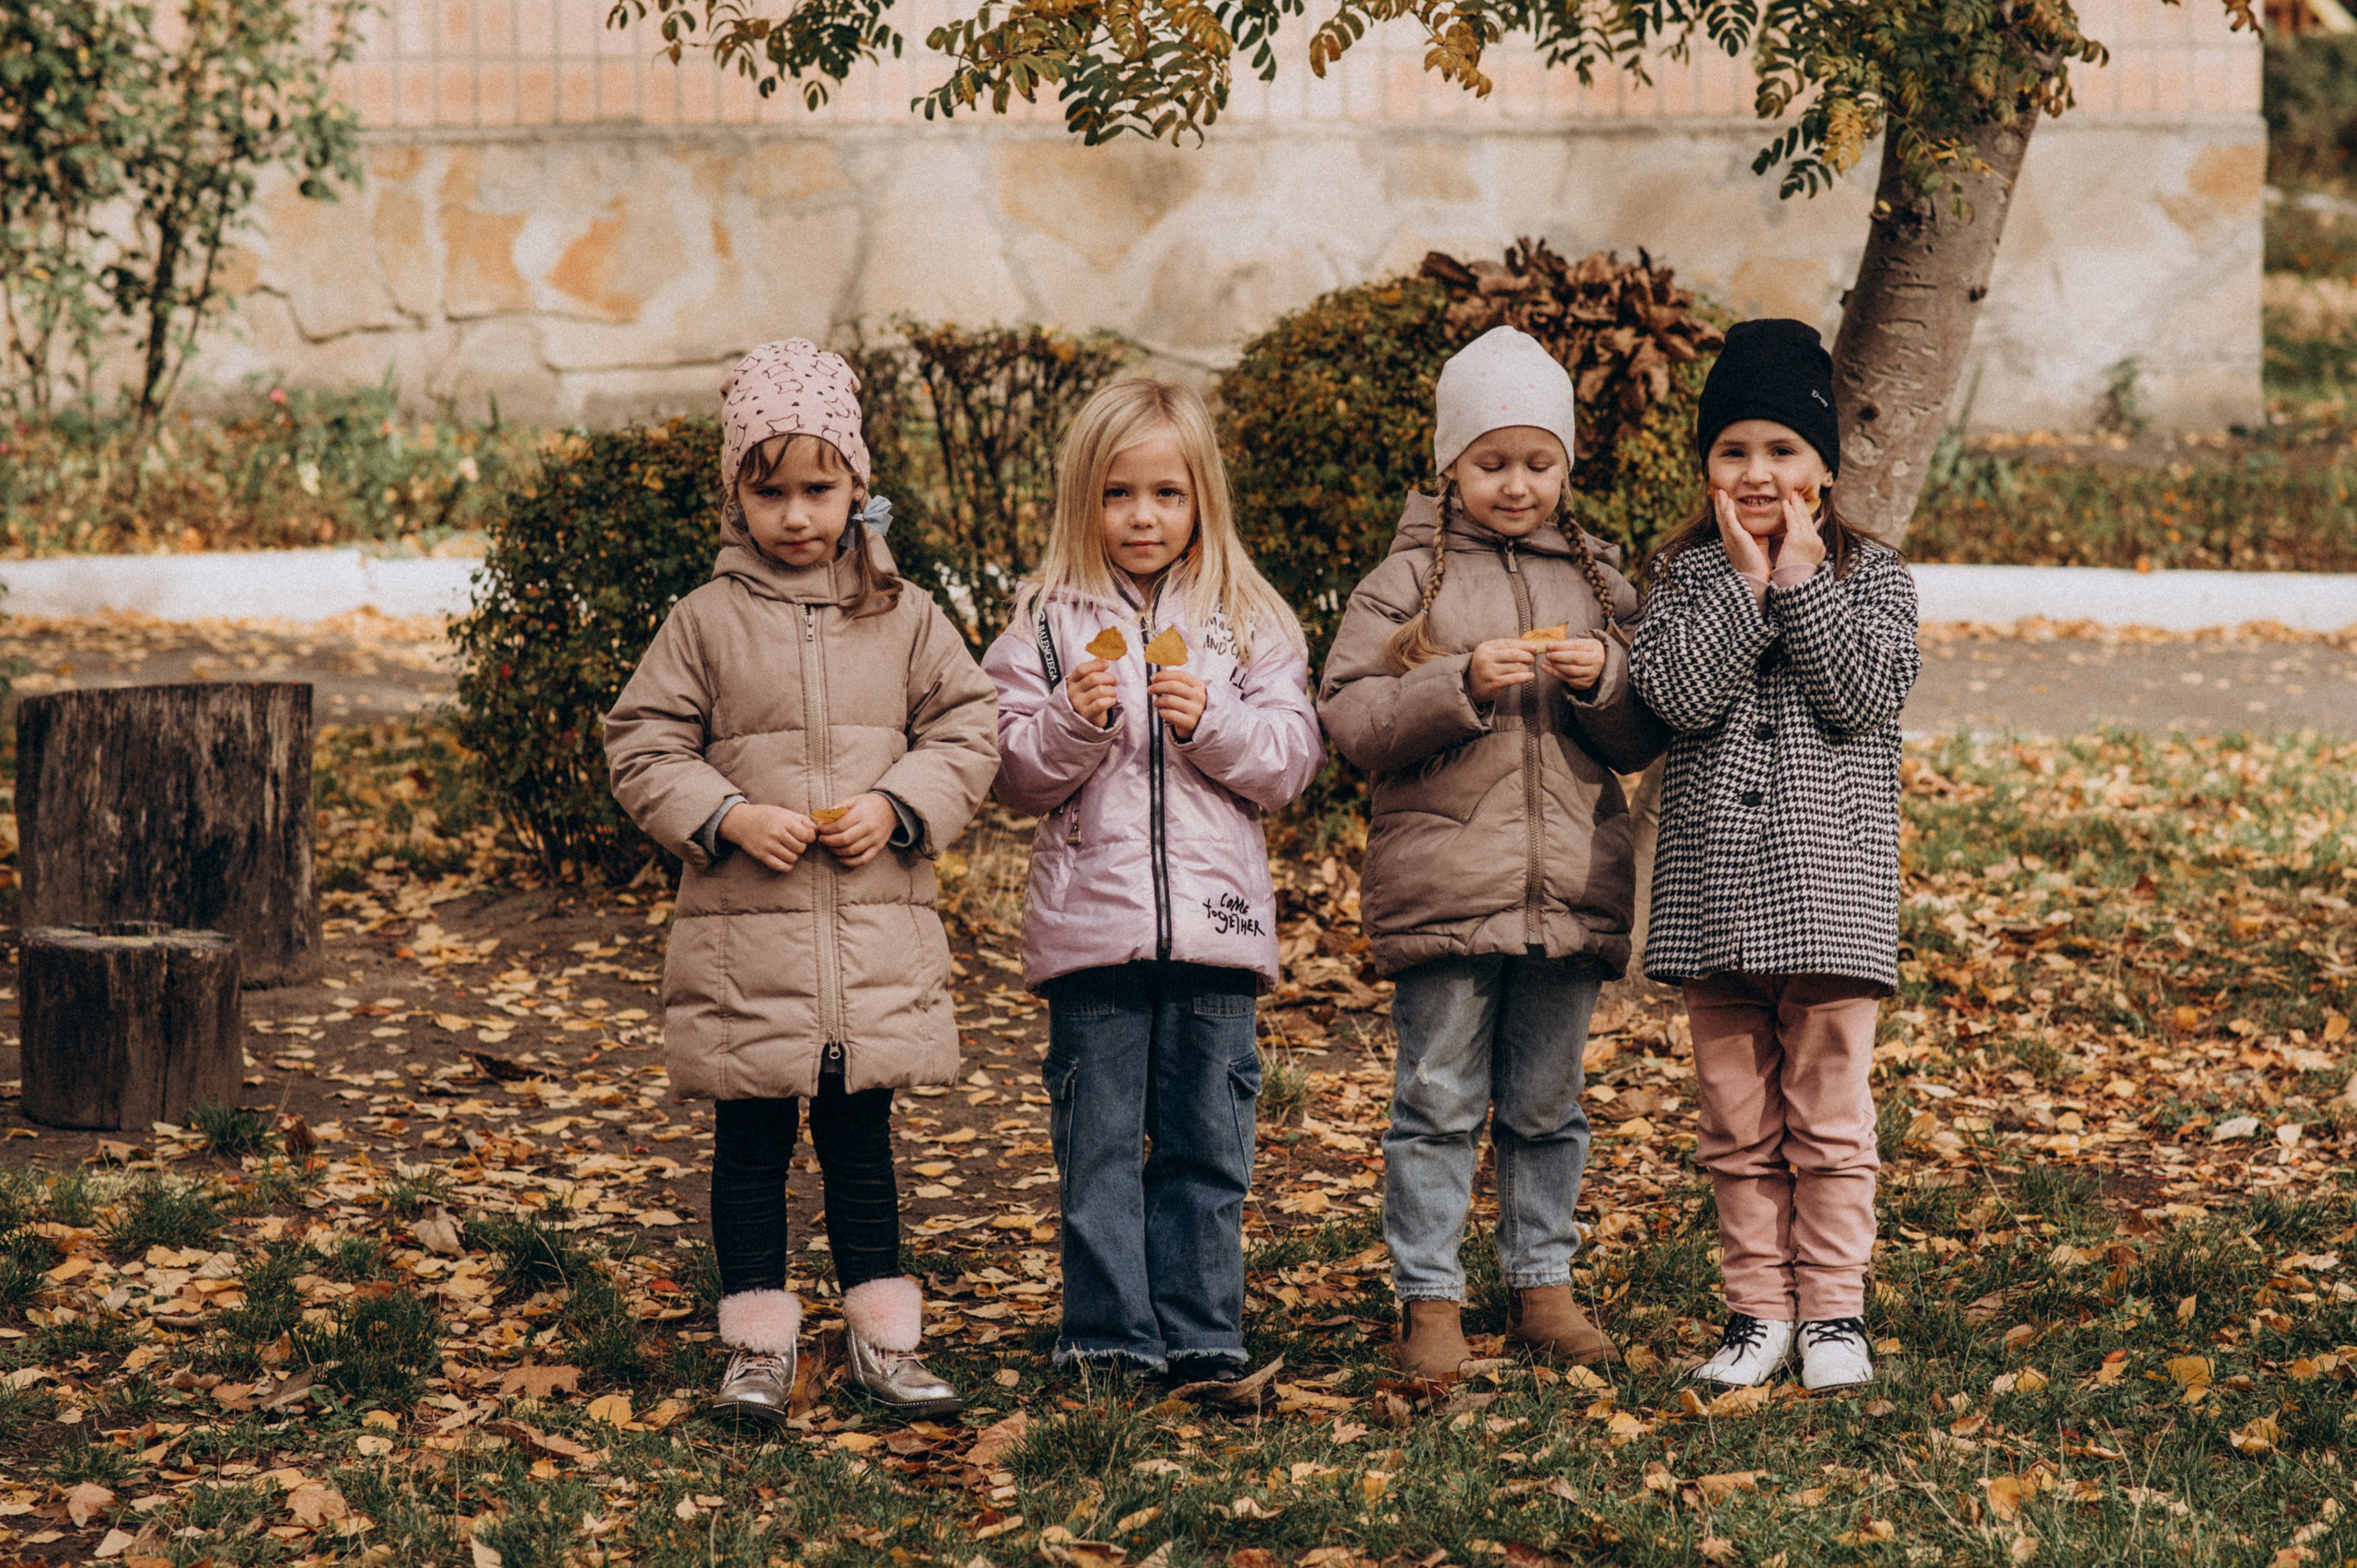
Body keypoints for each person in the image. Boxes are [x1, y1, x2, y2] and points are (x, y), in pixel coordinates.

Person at [606, 339, 1000, 1426]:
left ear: (857, 486)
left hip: (869, 947)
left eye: (818, 488)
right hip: (746, 945)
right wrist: (726, 814)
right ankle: (755, 1347)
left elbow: (969, 722)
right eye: (768, 489)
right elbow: (642, 742)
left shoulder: (905, 613)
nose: (795, 514)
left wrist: (900, 803)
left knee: (861, 1144)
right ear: (735, 492)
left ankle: (885, 1340)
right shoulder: (704, 619)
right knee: (750, 1151)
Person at [1319, 326, 1667, 1383]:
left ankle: (1540, 1283)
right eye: (1490, 462)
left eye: (1537, 462)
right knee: (1434, 1097)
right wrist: (1459, 684)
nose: (1515, 485)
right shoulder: (1403, 587)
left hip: (1569, 884)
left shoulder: (1603, 585)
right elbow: (1350, 716)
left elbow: (1641, 733)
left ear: (1566, 467)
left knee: (1547, 1102)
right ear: (1449, 465)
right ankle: (1430, 1298)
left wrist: (1607, 675)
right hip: (1445, 887)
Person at [983, 377, 1323, 1382]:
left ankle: (1203, 1326)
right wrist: (1070, 723)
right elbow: (1008, 770)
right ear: (1083, 499)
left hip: (1217, 927)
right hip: (1093, 931)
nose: (1143, 516)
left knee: (1206, 1139)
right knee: (1095, 1150)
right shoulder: (1044, 626)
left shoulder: (1246, 621)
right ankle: (1107, 1336)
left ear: (1200, 499)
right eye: (1119, 493)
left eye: (1166, 494)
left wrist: (1209, 722)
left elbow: (1291, 760)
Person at [1629, 318, 1921, 1392]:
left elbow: (1862, 693)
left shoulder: (1873, 576)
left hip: (1830, 899)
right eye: (1734, 451)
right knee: (1737, 1121)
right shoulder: (1679, 577)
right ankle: (1758, 1309)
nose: (1760, 473)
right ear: (1705, 466)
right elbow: (1673, 695)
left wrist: (1799, 581)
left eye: (1783, 451)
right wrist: (1744, 586)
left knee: (1830, 1119)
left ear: (1825, 466)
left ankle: (1833, 1311)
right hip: (1712, 900)